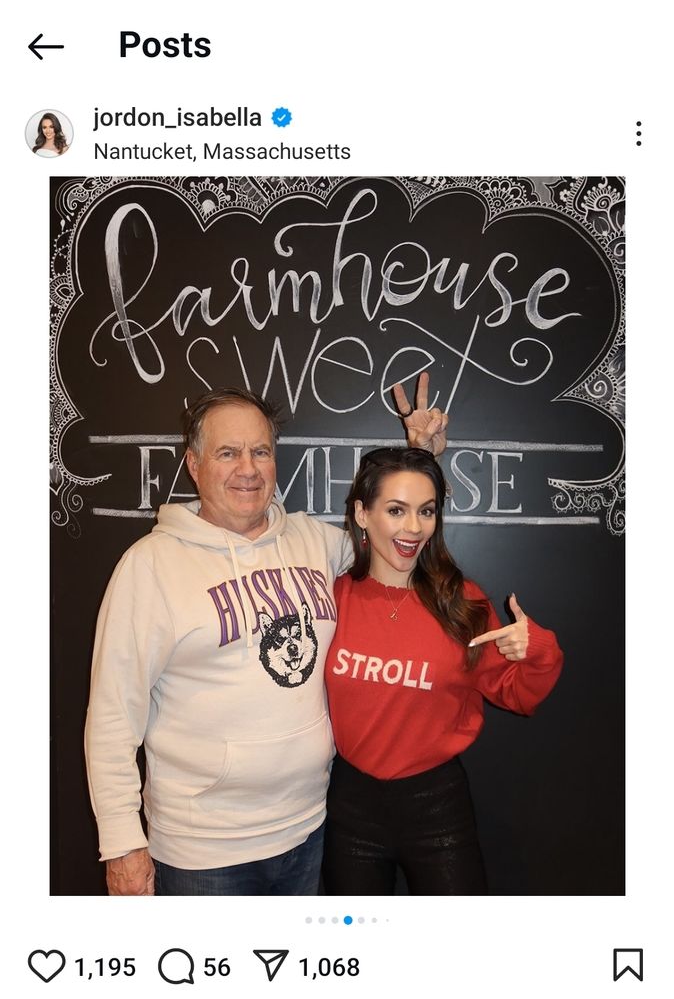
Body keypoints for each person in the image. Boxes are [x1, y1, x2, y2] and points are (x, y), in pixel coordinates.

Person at [85, 381, 447, 895]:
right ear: (194, 464)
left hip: (308, 831)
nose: (248, 469)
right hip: (202, 852)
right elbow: (111, 717)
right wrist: (122, 844)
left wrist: (418, 457)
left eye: (260, 451)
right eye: (228, 453)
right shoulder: (150, 567)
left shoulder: (313, 541)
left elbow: (395, 534)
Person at [322, 445, 564, 895]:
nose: (414, 527)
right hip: (349, 805)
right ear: (361, 513)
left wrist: (537, 649)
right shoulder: (332, 599)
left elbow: (516, 693)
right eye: (396, 510)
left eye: (426, 511)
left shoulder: (461, 599)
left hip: (436, 806)